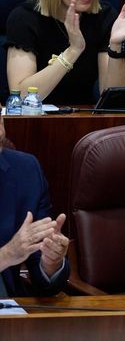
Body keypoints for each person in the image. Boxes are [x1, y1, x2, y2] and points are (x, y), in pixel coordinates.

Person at [0, 111, 70, 297]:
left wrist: (51, 261)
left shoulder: (26, 171)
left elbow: (45, 283)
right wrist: (7, 255)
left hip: (9, 313)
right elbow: (11, 253)